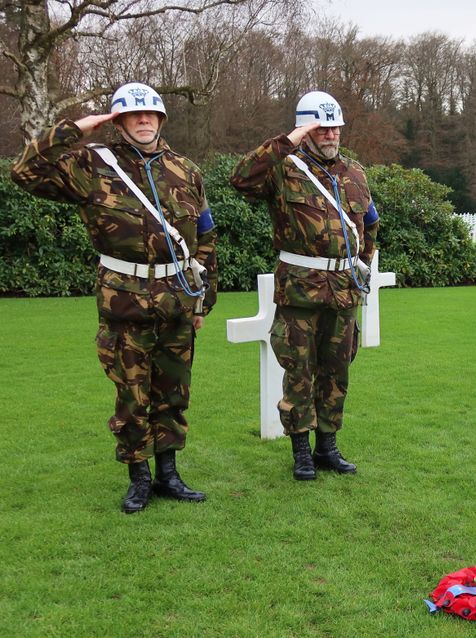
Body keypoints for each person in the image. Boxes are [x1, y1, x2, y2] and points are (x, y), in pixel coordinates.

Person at [11, 82, 218, 513]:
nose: (144, 121)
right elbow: (24, 172)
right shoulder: (91, 165)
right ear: (118, 121)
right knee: (132, 395)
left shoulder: (186, 169)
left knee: (172, 391)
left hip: (177, 300)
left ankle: (169, 474)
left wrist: (203, 301)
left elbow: (205, 237)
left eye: (151, 115)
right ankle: (138, 478)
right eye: (133, 115)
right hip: (123, 300)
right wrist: (74, 129)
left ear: (161, 119)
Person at [230, 90, 379, 481]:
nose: (330, 135)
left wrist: (362, 265)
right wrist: (288, 141)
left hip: (344, 290)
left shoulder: (355, 173)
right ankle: (301, 453)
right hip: (300, 289)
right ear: (304, 129)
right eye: (320, 127)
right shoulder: (283, 168)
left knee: (337, 369)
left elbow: (370, 223)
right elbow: (241, 178)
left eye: (335, 128)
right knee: (299, 370)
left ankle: (328, 447)